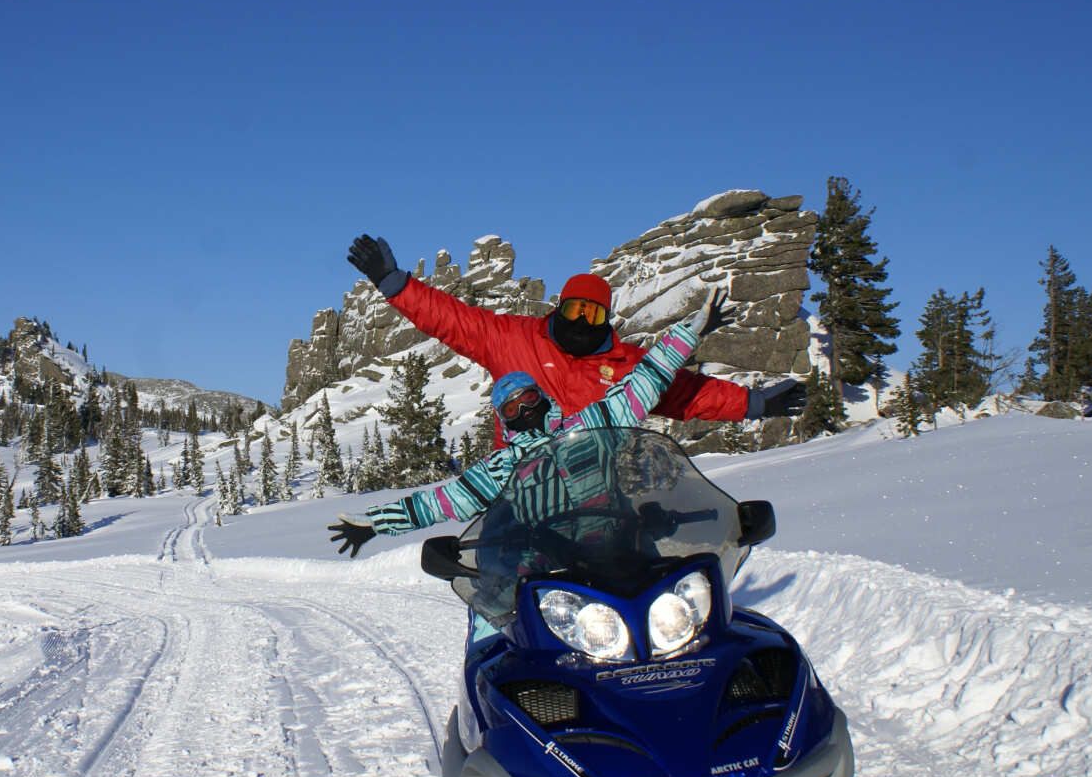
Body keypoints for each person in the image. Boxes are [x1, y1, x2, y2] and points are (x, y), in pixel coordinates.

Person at [328, 288, 727, 557]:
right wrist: (376, 523)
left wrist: (689, 333)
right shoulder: (501, 468)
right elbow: (442, 502)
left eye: (529, 399)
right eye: (513, 409)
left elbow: (643, 384)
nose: (524, 411)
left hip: (615, 547)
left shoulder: (586, 427)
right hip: (548, 563)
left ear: (544, 398)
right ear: (504, 420)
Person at [345, 234, 807, 443]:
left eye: (593, 313)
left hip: (608, 493)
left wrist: (753, 404)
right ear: (559, 307)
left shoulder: (629, 363)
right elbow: (450, 319)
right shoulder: (512, 338)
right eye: (574, 309)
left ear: (606, 319)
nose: (582, 321)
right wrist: (394, 283)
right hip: (526, 487)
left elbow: (689, 395)